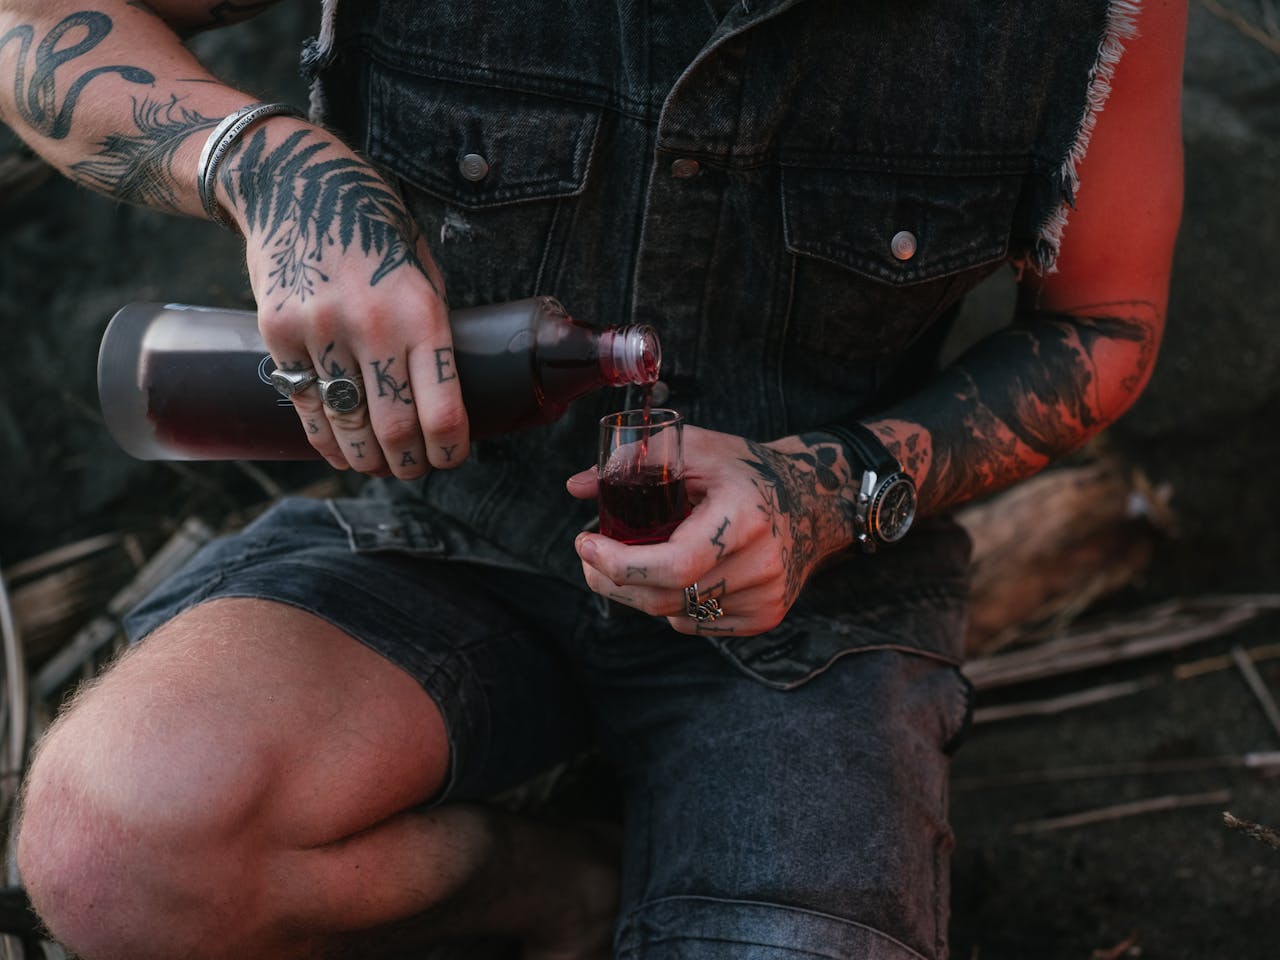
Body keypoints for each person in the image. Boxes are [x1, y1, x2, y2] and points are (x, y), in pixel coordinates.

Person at [4, 0, 1186, 957]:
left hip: (809, 614)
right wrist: (265, 167)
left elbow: (1104, 327)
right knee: (116, 850)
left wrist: (825, 491)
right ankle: (563, 889)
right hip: (443, 532)